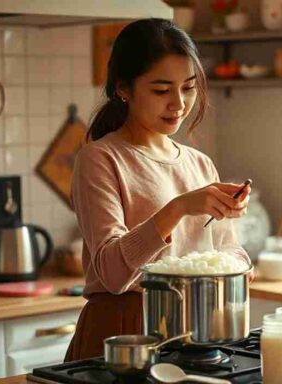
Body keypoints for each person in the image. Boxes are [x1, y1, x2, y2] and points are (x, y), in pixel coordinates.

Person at [64, 18, 251, 361]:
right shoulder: (100, 158)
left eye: (189, 87)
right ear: (124, 88)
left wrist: (237, 267)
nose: (178, 103)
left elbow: (231, 251)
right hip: (123, 333)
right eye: (162, 90)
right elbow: (113, 272)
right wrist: (178, 208)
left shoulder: (200, 164)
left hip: (193, 333)